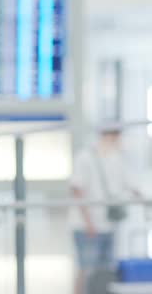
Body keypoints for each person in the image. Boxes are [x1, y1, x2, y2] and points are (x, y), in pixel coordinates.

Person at [69, 124, 142, 294]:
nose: (118, 141)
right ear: (106, 136)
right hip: (86, 225)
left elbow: (129, 184)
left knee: (104, 269)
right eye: (115, 137)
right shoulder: (85, 157)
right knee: (86, 269)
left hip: (108, 223)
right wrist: (88, 223)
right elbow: (76, 189)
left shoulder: (116, 157)